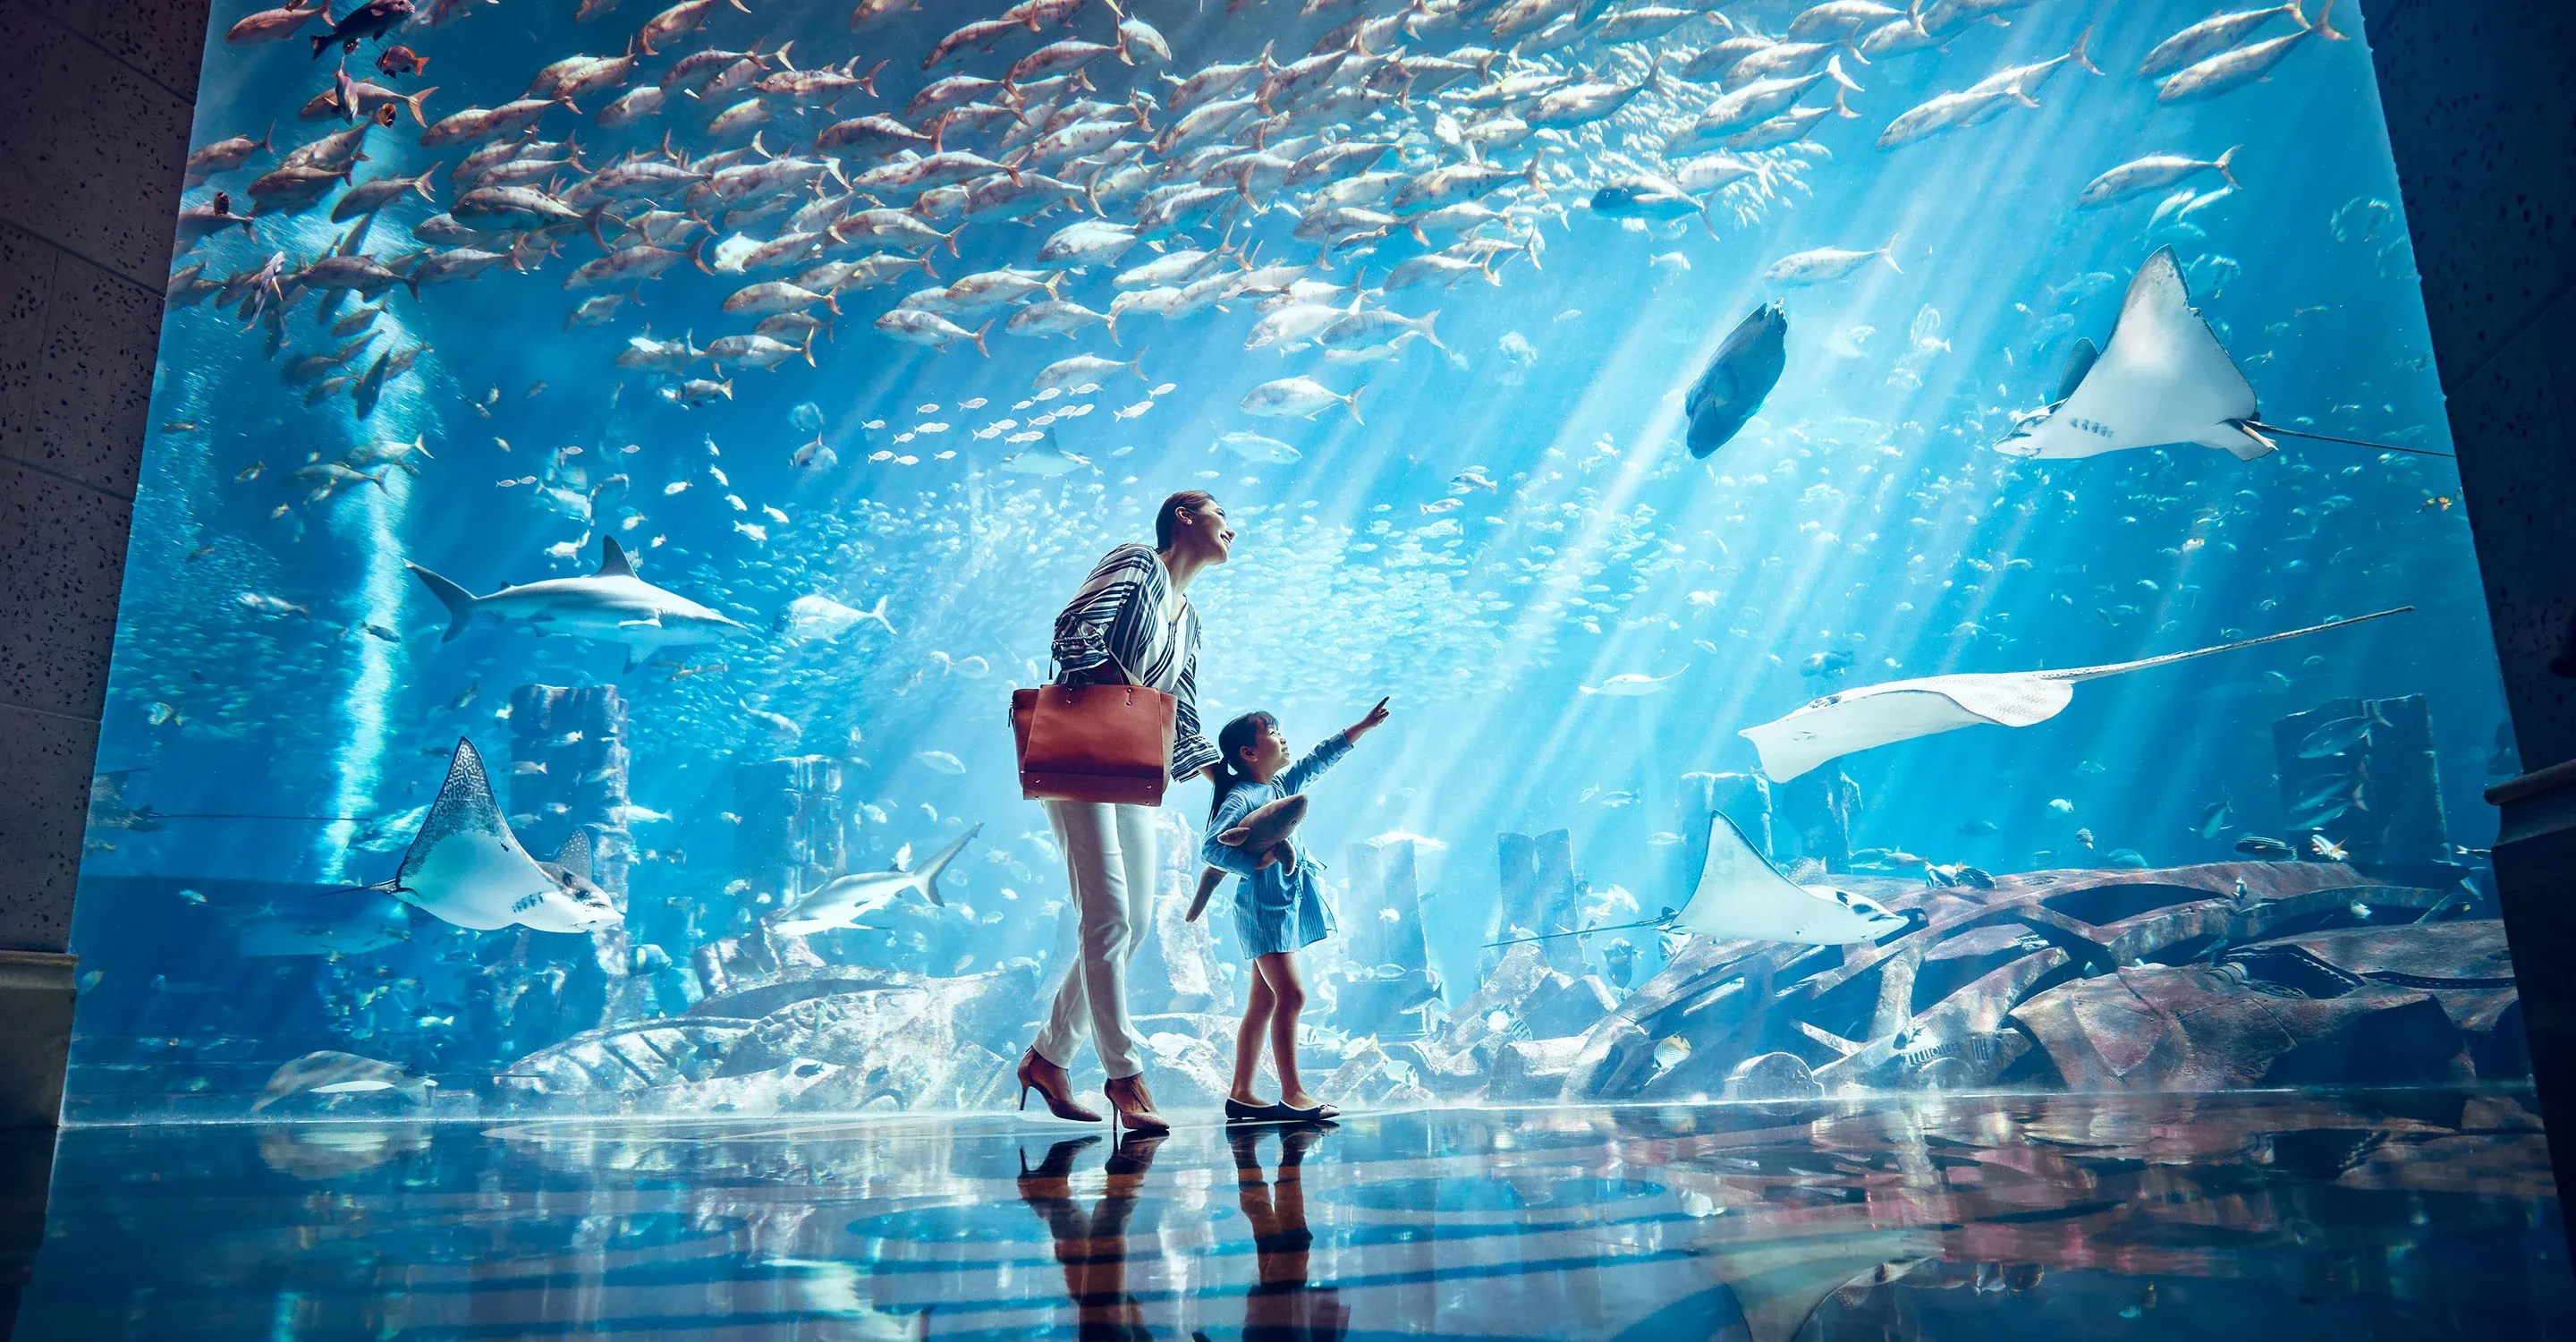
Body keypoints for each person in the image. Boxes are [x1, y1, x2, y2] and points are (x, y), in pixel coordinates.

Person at [1018, 490, 1233, 1134]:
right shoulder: (1137, 562)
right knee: (1107, 916)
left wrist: (1220, 780)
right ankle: (1124, 1075)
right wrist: (1122, 695)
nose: (1234, 531)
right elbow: (1072, 628)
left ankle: (1048, 1058)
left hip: (1132, 764)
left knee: (1134, 924)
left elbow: (1183, 707)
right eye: (1223, 516)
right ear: (1185, 517)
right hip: (1085, 751)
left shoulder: (1189, 617)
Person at [1204, 699, 1393, 1122]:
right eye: (1272, 733)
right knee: (1292, 995)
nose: (1282, 737)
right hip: (1262, 908)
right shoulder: (1240, 796)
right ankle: (1293, 1094)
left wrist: (1359, 729)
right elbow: (1211, 847)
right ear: (1248, 753)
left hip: (1282, 904)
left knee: (1263, 1002)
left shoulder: (1278, 788)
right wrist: (1257, 863)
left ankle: (1242, 1094)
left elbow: (1316, 760)